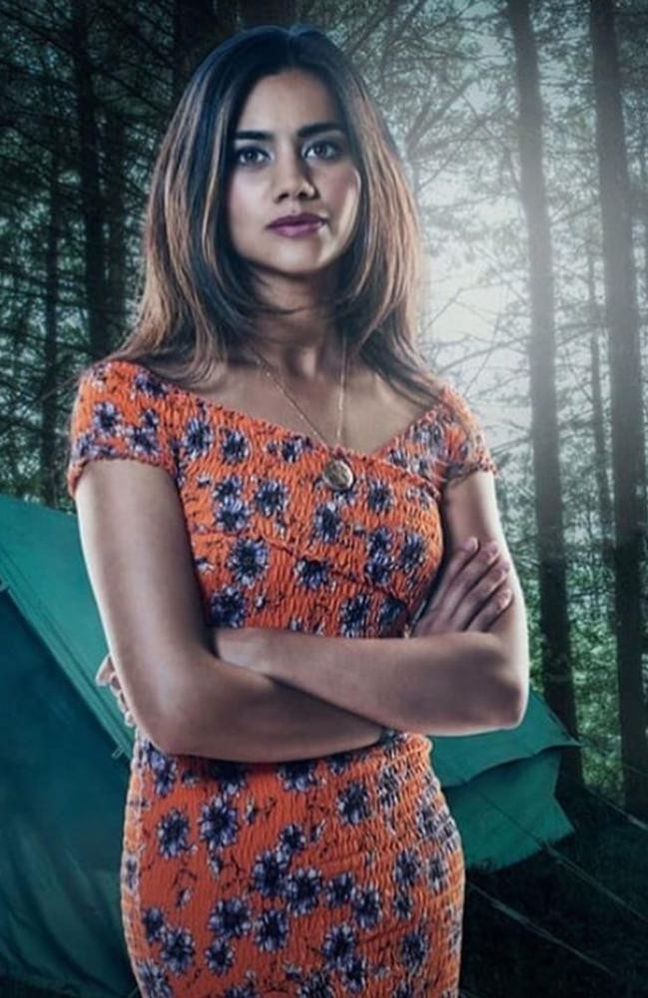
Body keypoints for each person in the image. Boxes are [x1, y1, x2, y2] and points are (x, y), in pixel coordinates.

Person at [64, 22, 529, 998]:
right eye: (249, 154)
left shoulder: (439, 421)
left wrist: (251, 646)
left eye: (322, 146)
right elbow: (181, 706)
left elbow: (492, 688)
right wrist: (407, 684)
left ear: (366, 172)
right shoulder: (133, 400)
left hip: (400, 879)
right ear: (201, 184)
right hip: (214, 888)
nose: (294, 181)